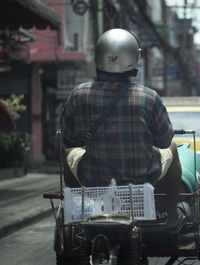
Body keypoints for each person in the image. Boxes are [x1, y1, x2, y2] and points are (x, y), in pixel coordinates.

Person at [60, 28, 184, 231]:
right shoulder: (149, 97)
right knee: (173, 147)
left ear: (99, 57)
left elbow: (67, 139)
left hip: (91, 176)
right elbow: (163, 141)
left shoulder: (78, 94)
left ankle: (80, 211)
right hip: (144, 176)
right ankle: (172, 215)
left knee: (68, 153)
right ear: (133, 59)